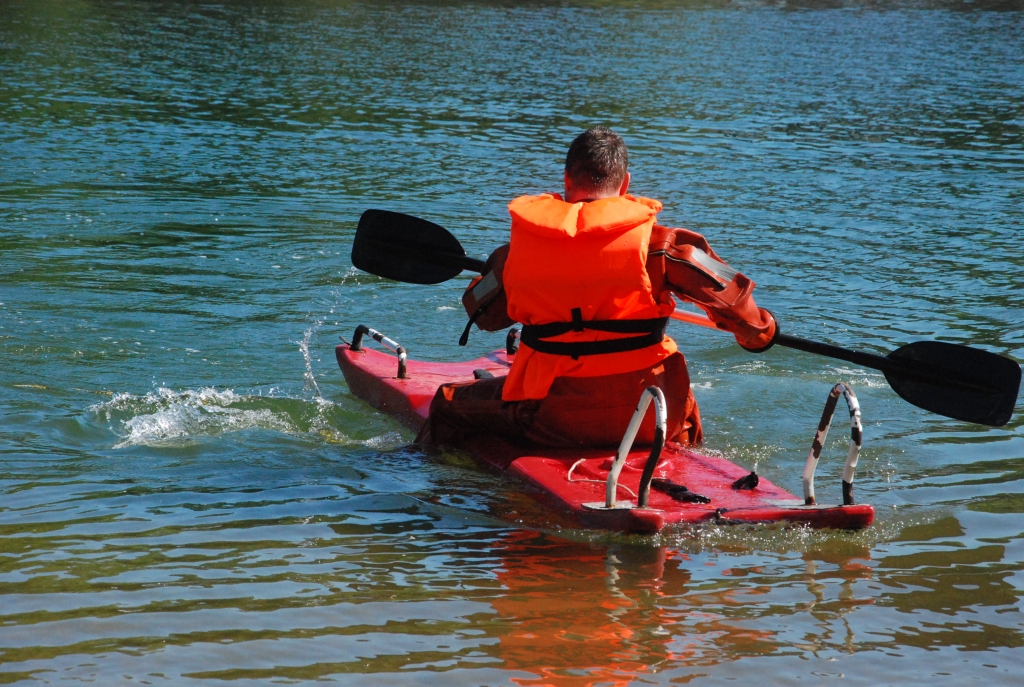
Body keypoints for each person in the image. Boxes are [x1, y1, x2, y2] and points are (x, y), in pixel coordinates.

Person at [416, 127, 777, 449]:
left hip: (552, 416)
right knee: (684, 409)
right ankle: (693, 466)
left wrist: (499, 273)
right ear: (624, 185)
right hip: (654, 415)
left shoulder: (518, 254)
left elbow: (481, 315)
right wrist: (762, 329)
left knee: (447, 404)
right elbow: (749, 323)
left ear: (566, 180)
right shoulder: (665, 248)